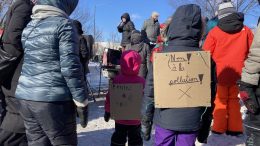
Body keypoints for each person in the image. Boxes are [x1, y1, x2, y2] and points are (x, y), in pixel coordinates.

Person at [15, 0, 89, 145]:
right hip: (53, 102)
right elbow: (71, 67)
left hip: (26, 98)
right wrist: (81, 101)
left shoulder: (30, 26)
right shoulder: (64, 25)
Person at [142, 4, 212, 146]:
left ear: (173, 25)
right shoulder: (206, 60)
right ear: (200, 29)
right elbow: (210, 96)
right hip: (191, 122)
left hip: (164, 119)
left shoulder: (161, 56)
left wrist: (145, 122)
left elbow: (149, 93)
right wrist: (205, 127)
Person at [203, 1, 254, 136]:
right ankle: (235, 128)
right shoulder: (246, 30)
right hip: (240, 73)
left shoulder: (215, 32)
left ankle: (219, 128)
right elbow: (253, 51)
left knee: (220, 100)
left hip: (221, 73)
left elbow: (205, 52)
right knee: (234, 101)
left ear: (219, 15)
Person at [0, 0, 34, 145]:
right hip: (18, 80)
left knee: (12, 134)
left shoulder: (23, 5)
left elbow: (11, 45)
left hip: (16, 80)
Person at [104, 50, 145, 146]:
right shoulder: (142, 81)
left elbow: (109, 97)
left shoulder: (116, 80)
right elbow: (146, 99)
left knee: (118, 137)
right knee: (135, 138)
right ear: (138, 64)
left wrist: (107, 111)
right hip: (135, 118)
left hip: (120, 116)